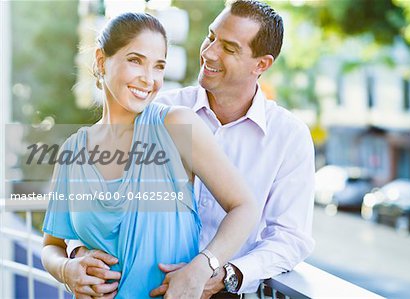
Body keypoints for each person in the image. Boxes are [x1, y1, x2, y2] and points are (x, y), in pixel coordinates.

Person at [69, 0, 315, 298]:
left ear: (261, 64)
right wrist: (78, 255)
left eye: (229, 47)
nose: (209, 52)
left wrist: (218, 272)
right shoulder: (159, 110)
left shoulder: (289, 136)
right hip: (139, 287)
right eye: (211, 37)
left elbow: (290, 239)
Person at [41, 12, 257, 299]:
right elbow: (51, 245)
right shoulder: (72, 151)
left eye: (158, 67)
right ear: (101, 60)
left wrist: (203, 267)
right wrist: (67, 271)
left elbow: (245, 207)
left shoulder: (176, 127)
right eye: (135, 60)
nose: (149, 79)